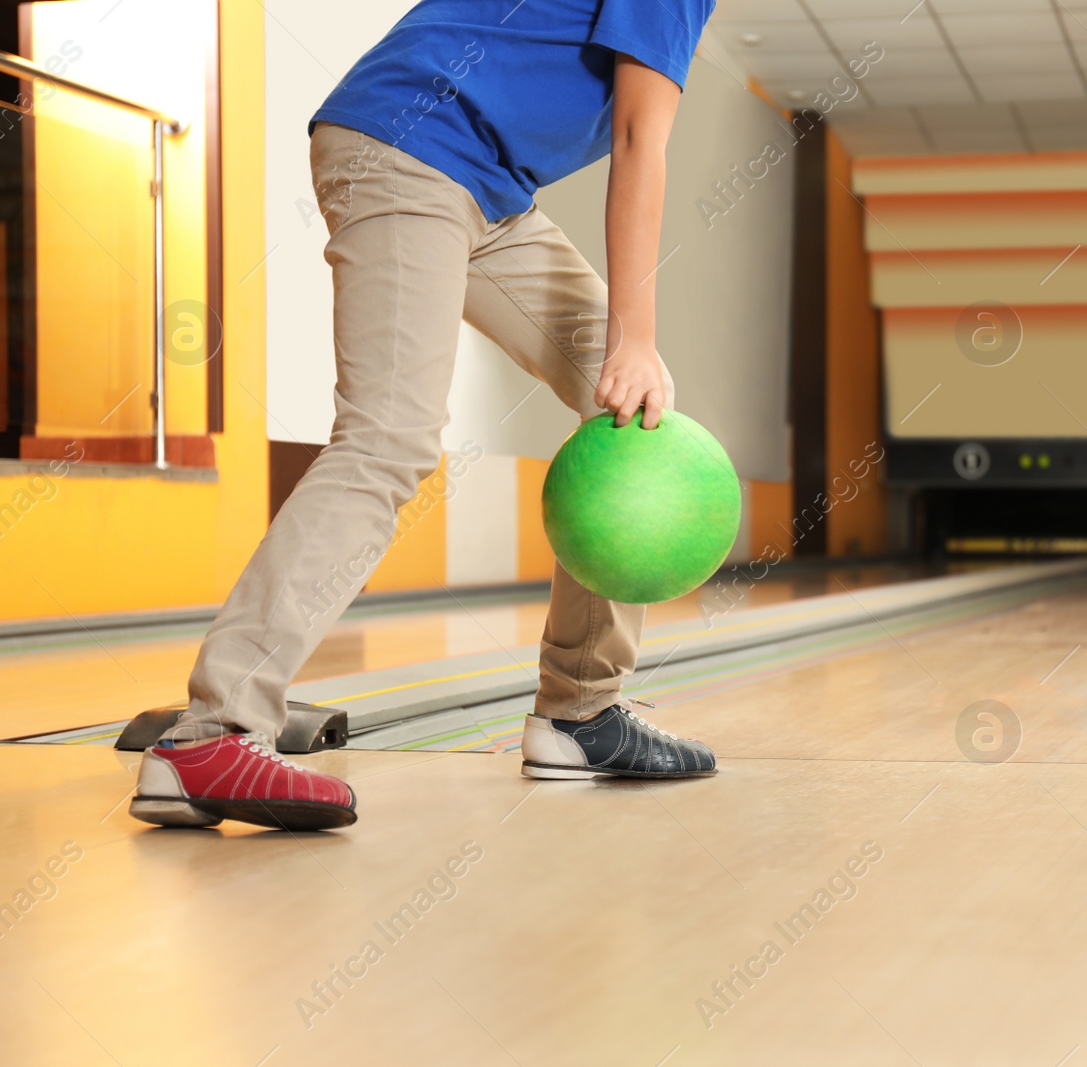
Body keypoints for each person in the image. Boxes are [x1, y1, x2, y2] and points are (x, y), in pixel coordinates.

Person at [129, 0, 719, 834]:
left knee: (635, 410)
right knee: (389, 437)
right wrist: (637, 336)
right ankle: (214, 730)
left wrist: (631, 352)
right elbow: (636, 141)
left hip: (485, 187)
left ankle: (581, 713)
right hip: (410, 148)